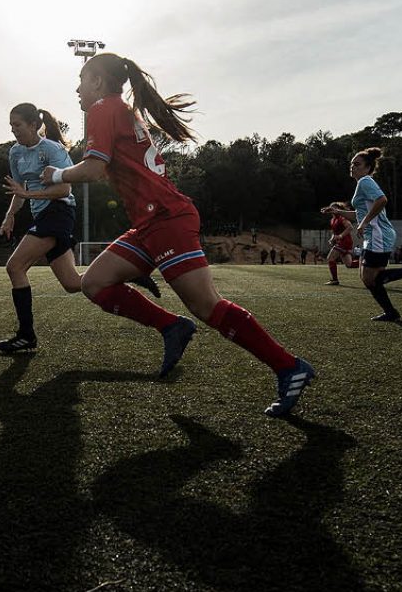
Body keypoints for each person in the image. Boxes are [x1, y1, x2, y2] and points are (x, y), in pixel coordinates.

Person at [40, 52, 316, 417]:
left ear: (97, 80)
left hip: (166, 218)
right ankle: (172, 326)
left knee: (206, 305)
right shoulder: (121, 110)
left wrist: (56, 175)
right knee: (94, 283)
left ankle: (288, 367)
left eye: (81, 79)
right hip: (150, 223)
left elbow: (93, 169)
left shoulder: (102, 109)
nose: (77, 89)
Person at [0, 102, 160, 354]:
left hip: (59, 212)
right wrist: (9, 216)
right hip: (43, 216)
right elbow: (18, 191)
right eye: (11, 126)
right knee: (73, 284)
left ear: (33, 125)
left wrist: (27, 195)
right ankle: (130, 274)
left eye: (17, 125)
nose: (13, 130)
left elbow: (64, 189)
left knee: (15, 267)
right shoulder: (15, 153)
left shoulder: (52, 149)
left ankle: (26, 336)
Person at [322, 148, 402, 322]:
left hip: (378, 235)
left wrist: (365, 222)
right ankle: (391, 312)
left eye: (357, 164)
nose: (352, 166)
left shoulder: (365, 181)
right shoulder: (363, 183)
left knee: (370, 278)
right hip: (372, 236)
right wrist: (337, 211)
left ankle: (391, 311)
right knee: (367, 278)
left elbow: (382, 200)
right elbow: (357, 214)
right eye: (352, 163)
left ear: (367, 168)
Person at [320, 202, 354, 285]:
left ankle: (334, 280)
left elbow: (350, 227)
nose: (332, 210)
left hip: (344, 242)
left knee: (330, 258)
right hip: (341, 242)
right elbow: (335, 233)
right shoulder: (332, 220)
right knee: (349, 264)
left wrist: (341, 236)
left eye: (334, 208)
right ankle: (366, 263)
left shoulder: (342, 218)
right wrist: (332, 239)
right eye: (331, 208)